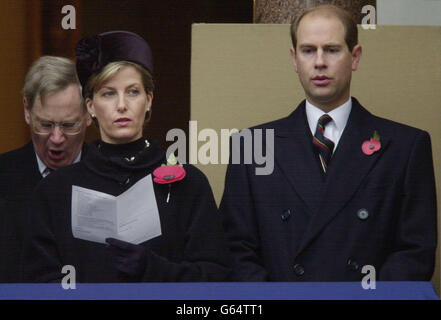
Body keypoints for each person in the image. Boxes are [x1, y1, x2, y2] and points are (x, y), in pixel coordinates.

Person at [220, 5, 437, 281]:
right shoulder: (251, 146)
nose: (319, 62)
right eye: (308, 50)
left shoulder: (406, 147)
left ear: (355, 57)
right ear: (294, 59)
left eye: (332, 50)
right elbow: (235, 250)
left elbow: (414, 253)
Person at [22, 31, 230, 282]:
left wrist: (154, 268)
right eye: (108, 93)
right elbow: (39, 283)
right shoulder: (55, 190)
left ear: (149, 100)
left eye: (132, 92)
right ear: (90, 106)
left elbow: (216, 277)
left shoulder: (188, 183)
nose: (122, 105)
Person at [0, 56, 91, 282]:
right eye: (46, 125)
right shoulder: (3, 177)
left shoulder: (112, 177)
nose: (57, 138)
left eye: (69, 125)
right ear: (27, 111)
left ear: (89, 113)